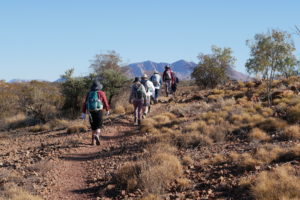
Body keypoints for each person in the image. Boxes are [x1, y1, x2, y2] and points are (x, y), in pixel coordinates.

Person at [82, 80, 110, 146]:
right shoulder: (101, 93)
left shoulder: (89, 93)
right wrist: (107, 110)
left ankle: (93, 142)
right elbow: (105, 102)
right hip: (99, 111)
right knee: (98, 126)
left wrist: (83, 113)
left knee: (93, 127)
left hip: (90, 112)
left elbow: (85, 103)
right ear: (99, 87)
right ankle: (97, 135)